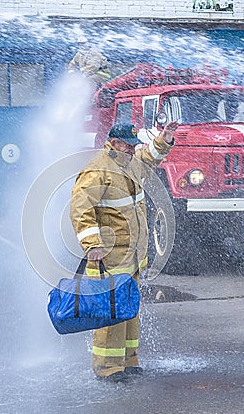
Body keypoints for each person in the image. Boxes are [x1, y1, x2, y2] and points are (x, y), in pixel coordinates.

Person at [70, 121, 179, 381]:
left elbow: (149, 156)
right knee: (111, 312)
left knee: (129, 309)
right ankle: (107, 368)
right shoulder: (97, 171)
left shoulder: (128, 163)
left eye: (133, 146)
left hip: (131, 255)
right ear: (115, 143)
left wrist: (165, 138)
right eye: (128, 146)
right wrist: (92, 245)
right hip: (110, 256)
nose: (132, 150)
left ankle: (129, 361)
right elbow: (80, 210)